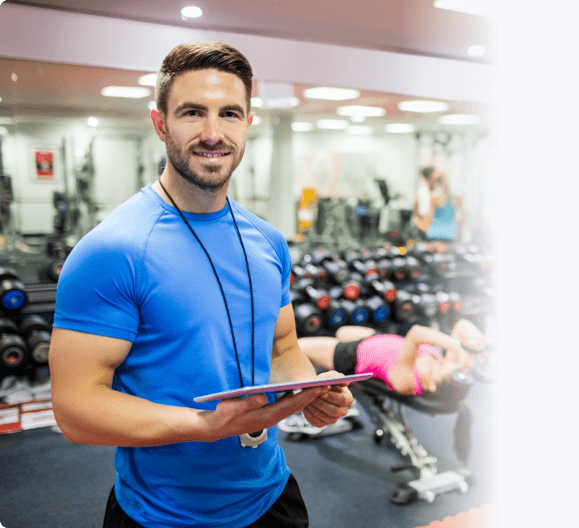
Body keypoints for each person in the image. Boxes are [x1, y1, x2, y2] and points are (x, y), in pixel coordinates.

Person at [48, 41, 353, 528]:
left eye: (230, 114)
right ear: (160, 123)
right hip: (161, 515)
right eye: (193, 112)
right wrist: (204, 427)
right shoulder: (112, 251)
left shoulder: (269, 242)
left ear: (248, 124)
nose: (213, 133)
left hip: (272, 497)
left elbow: (281, 349)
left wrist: (313, 390)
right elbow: (75, 407)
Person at [297, 319, 489, 396]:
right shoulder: (443, 364)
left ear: (433, 385)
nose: (454, 363)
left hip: (354, 354)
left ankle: (302, 397)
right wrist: (482, 350)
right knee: (341, 330)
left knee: (298, 347)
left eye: (451, 369)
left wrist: (458, 347)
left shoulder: (409, 382)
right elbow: (462, 325)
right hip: (378, 338)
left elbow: (416, 334)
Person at [413, 167, 464, 241]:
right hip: (438, 235)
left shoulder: (436, 197)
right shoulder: (430, 197)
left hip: (442, 235)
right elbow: (424, 218)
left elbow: (462, 218)